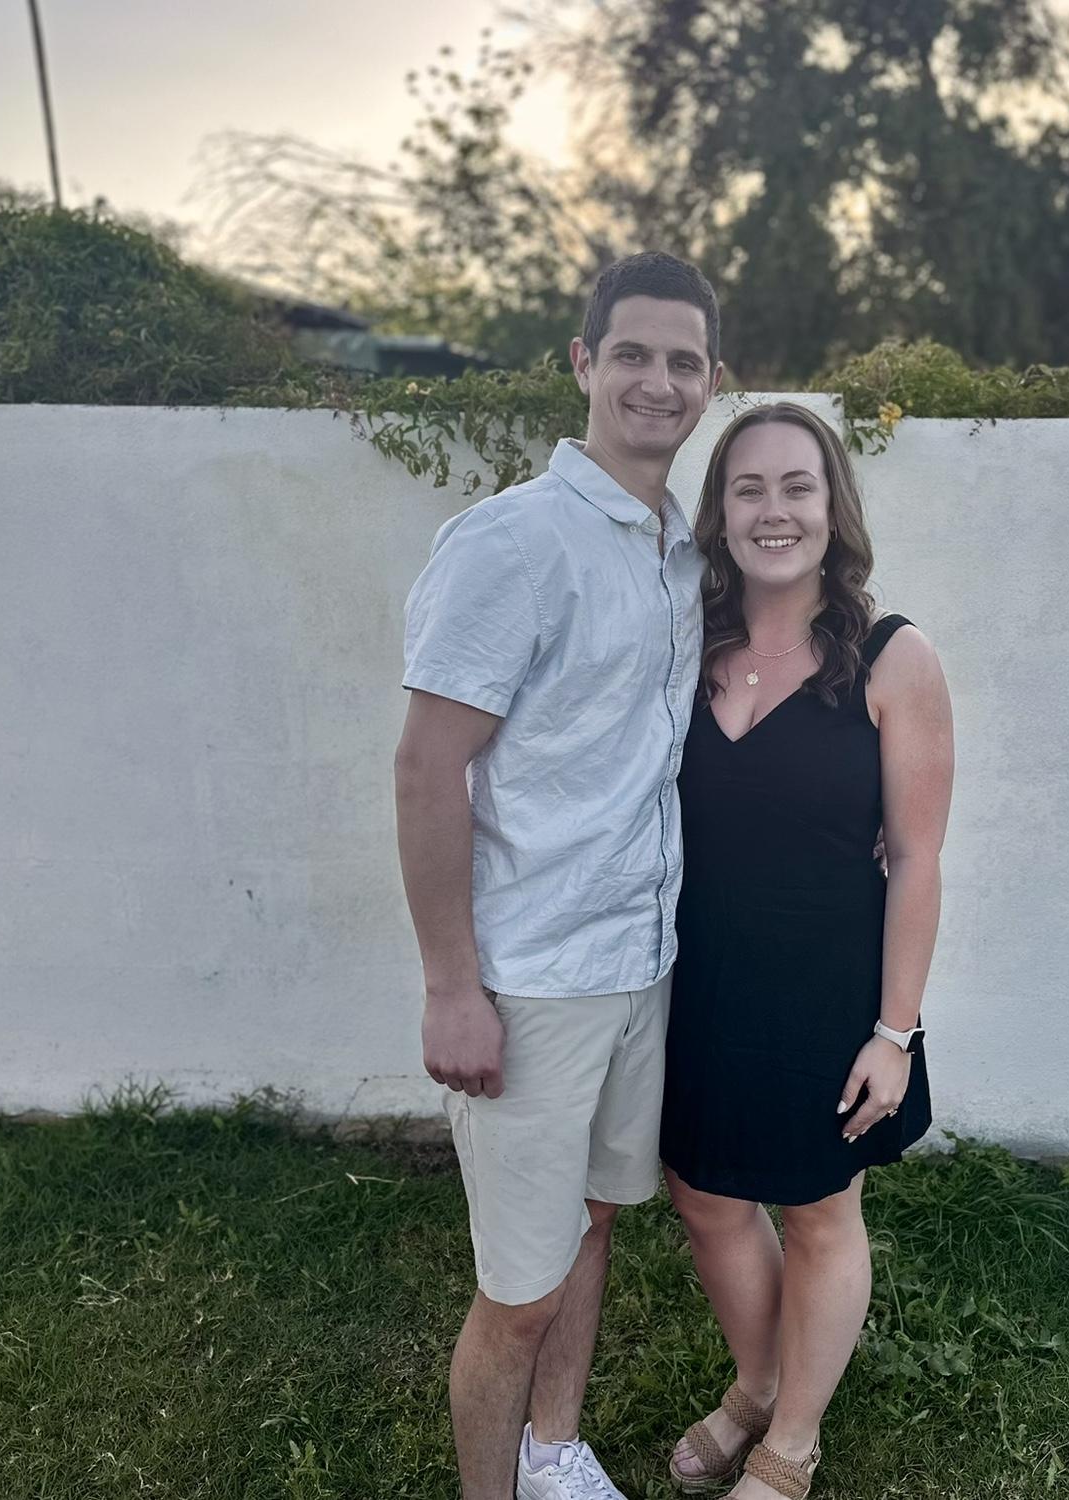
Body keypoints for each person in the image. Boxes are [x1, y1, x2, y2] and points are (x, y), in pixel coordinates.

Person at [395, 251, 723, 1500]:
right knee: (518, 1291)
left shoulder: (681, 552)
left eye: (683, 361)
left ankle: (553, 1452)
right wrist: (451, 988)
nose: (657, 382)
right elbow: (427, 767)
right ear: (584, 363)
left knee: (594, 1221)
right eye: (631, 353)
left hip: (640, 961)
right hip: (532, 979)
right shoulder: (515, 542)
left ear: (711, 382)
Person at [658, 402, 955, 1499]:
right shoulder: (683, 644)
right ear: (719, 513)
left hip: (830, 991)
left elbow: (916, 858)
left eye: (797, 486)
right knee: (704, 1198)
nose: (773, 510)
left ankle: (792, 1440)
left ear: (834, 509)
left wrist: (895, 1033)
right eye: (749, 488)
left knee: (821, 1211)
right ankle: (756, 1382)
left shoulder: (893, 658)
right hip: (698, 982)